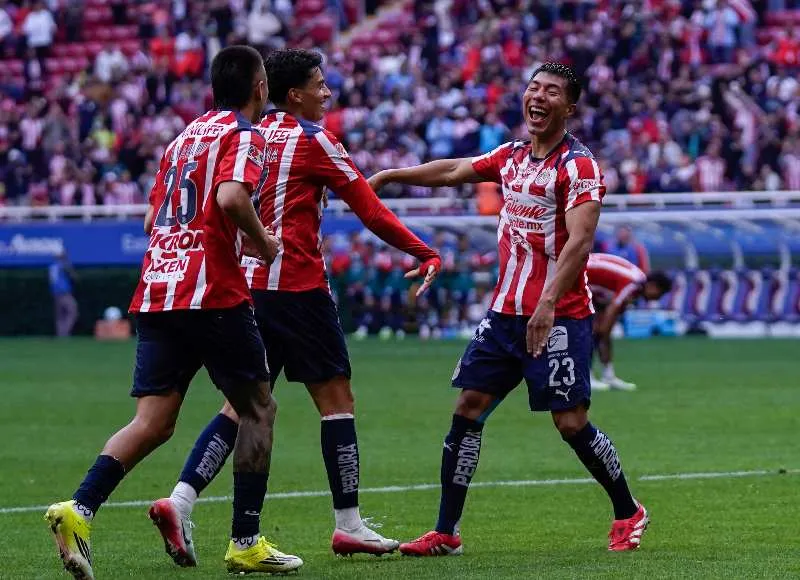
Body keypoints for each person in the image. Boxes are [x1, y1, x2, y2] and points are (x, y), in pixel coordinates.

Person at [148, 48, 442, 565]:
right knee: (337, 400)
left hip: (246, 286)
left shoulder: (250, 133)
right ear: (293, 94)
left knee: (243, 406)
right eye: (319, 84)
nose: (327, 92)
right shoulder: (314, 140)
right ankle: (349, 525)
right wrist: (424, 251)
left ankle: (180, 500)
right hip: (299, 288)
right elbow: (369, 210)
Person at [368, 62, 650, 555]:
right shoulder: (512, 156)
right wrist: (392, 175)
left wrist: (547, 302)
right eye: (533, 88)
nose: (538, 97)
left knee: (570, 423)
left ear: (570, 107)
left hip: (559, 316)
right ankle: (446, 532)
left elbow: (580, 242)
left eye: (552, 91)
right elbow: (453, 170)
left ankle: (628, 510)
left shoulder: (578, 167)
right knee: (467, 410)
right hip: (504, 316)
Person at [44, 46, 303, 579]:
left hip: (159, 288)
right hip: (211, 292)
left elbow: (150, 221)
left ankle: (79, 508)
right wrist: (263, 243)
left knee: (153, 422)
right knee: (258, 408)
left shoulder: (183, 138)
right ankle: (246, 542)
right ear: (260, 88)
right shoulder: (245, 134)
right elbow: (231, 198)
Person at [587, 253, 672, 391]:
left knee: (602, 332)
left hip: (588, 277)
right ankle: (587, 377)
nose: (657, 299)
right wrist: (602, 330)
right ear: (653, 286)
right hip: (577, 273)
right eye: (660, 294)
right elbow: (613, 309)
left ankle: (608, 376)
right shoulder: (633, 284)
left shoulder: (637, 281)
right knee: (596, 331)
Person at [49, 249, 79, 337]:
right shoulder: (62, 264)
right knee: (73, 312)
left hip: (55, 293)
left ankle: (60, 334)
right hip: (64, 292)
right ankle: (64, 333)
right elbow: (73, 275)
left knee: (60, 315)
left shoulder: (52, 266)